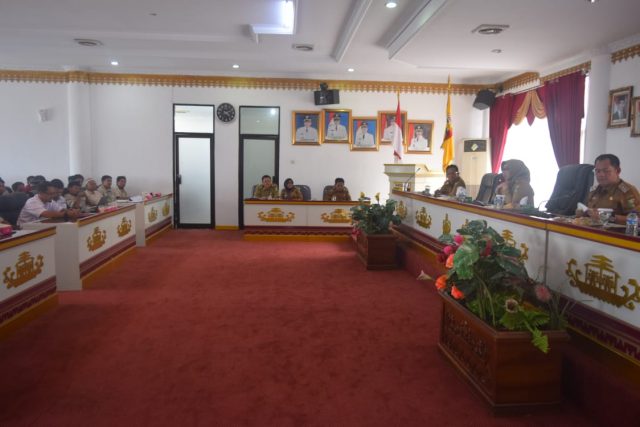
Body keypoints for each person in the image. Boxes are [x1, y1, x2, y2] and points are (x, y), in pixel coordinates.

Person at [579, 154, 640, 224]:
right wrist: (583, 213)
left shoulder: (627, 191)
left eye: (606, 171)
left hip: (613, 230)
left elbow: (638, 220)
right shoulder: (594, 190)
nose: (601, 175)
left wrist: (609, 218)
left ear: (618, 171)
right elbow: (590, 213)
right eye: (598, 171)